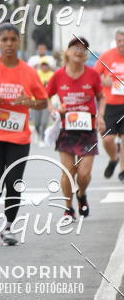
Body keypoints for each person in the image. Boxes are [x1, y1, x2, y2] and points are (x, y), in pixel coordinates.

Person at [0, 25, 48, 245]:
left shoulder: (29, 72)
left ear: (19, 42)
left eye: (13, 39)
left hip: (18, 138)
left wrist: (29, 102)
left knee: (14, 182)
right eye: (5, 39)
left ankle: (9, 227)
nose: (9, 44)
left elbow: (43, 102)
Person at [46, 37, 104, 219]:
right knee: (68, 171)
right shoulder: (58, 75)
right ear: (68, 52)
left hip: (87, 129)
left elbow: (102, 97)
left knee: (84, 173)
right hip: (66, 129)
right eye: (75, 47)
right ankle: (68, 208)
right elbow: (45, 96)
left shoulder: (92, 74)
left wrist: (100, 116)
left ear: (86, 54)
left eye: (83, 49)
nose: (79, 51)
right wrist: (55, 110)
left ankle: (82, 194)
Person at [94, 29, 124, 180]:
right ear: (116, 41)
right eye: (119, 41)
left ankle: (122, 170)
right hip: (110, 105)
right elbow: (94, 75)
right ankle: (113, 159)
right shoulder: (107, 56)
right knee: (107, 139)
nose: (122, 44)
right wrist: (102, 81)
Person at [33, 58, 55, 145]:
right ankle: (38, 134)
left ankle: (42, 138)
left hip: (46, 101)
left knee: (44, 122)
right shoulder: (37, 74)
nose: (44, 67)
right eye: (43, 65)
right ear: (40, 66)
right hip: (36, 101)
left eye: (46, 65)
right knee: (37, 123)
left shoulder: (52, 74)